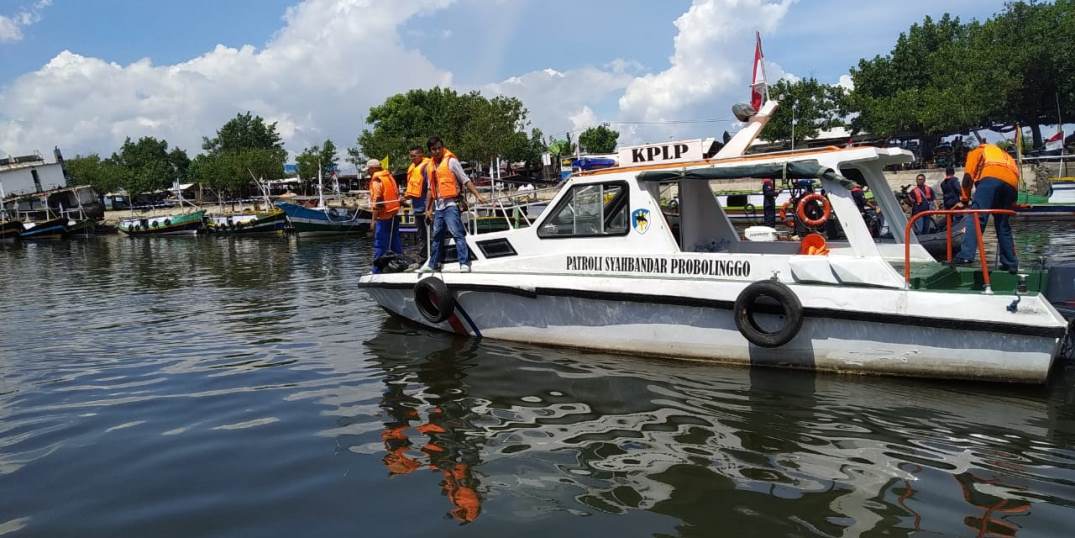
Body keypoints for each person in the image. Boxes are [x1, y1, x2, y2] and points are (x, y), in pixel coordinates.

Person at [419, 136, 487, 273]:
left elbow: (465, 180)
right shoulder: (430, 167)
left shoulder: (451, 161)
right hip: (439, 206)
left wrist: (477, 195)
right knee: (436, 235)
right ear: (430, 151)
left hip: (451, 204)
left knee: (457, 233)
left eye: (439, 148)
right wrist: (428, 209)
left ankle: (464, 262)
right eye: (434, 149)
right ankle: (432, 264)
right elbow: (430, 190)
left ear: (442, 147)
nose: (437, 151)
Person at [953, 143, 1020, 271]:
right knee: (1003, 224)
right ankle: (1010, 262)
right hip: (1012, 186)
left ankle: (965, 256)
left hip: (991, 179)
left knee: (976, 217)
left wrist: (964, 200)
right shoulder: (1005, 155)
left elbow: (968, 177)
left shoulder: (977, 151)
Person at [368, 159, 402, 274]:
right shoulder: (389, 177)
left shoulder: (377, 180)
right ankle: (400, 265)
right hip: (394, 214)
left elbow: (377, 200)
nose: (368, 171)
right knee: (395, 243)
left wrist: (373, 221)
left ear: (373, 168)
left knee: (380, 244)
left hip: (383, 217)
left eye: (368, 169)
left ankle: (377, 271)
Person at [404, 146, 432, 263]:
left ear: (421, 155)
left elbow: (430, 188)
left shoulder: (426, 167)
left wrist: (429, 208)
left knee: (431, 233)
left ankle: (433, 258)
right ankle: (424, 258)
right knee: (421, 235)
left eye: (414, 156)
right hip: (416, 207)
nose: (412, 158)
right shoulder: (412, 168)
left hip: (426, 206)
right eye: (410, 156)